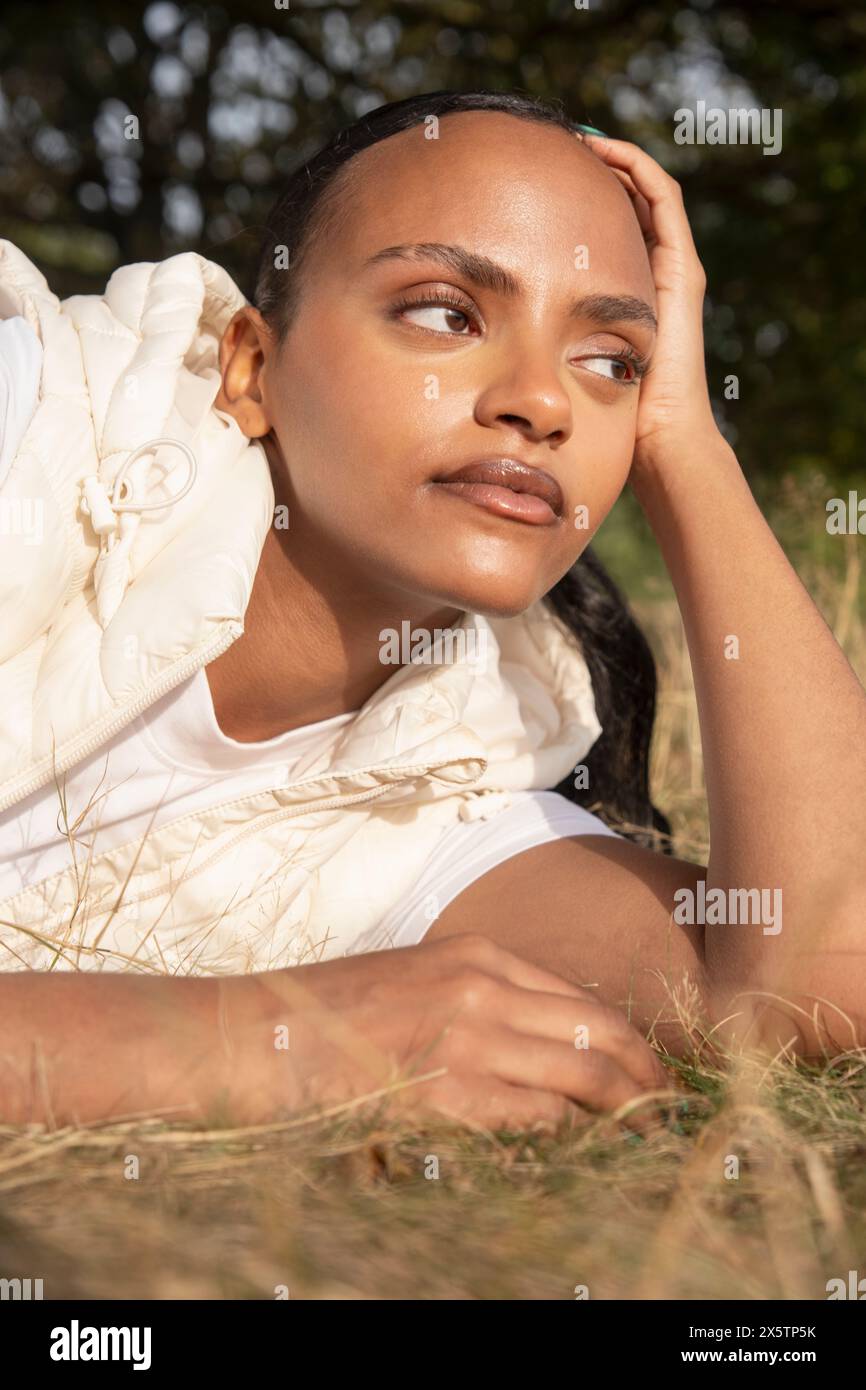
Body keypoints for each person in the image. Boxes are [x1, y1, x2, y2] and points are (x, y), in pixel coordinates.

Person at [0, 92, 864, 1135]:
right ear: (251, 366)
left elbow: (816, 973)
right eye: (446, 311)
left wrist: (689, 447)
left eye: (609, 363)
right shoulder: (43, 434)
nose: (541, 401)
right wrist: (267, 1038)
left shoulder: (458, 776)